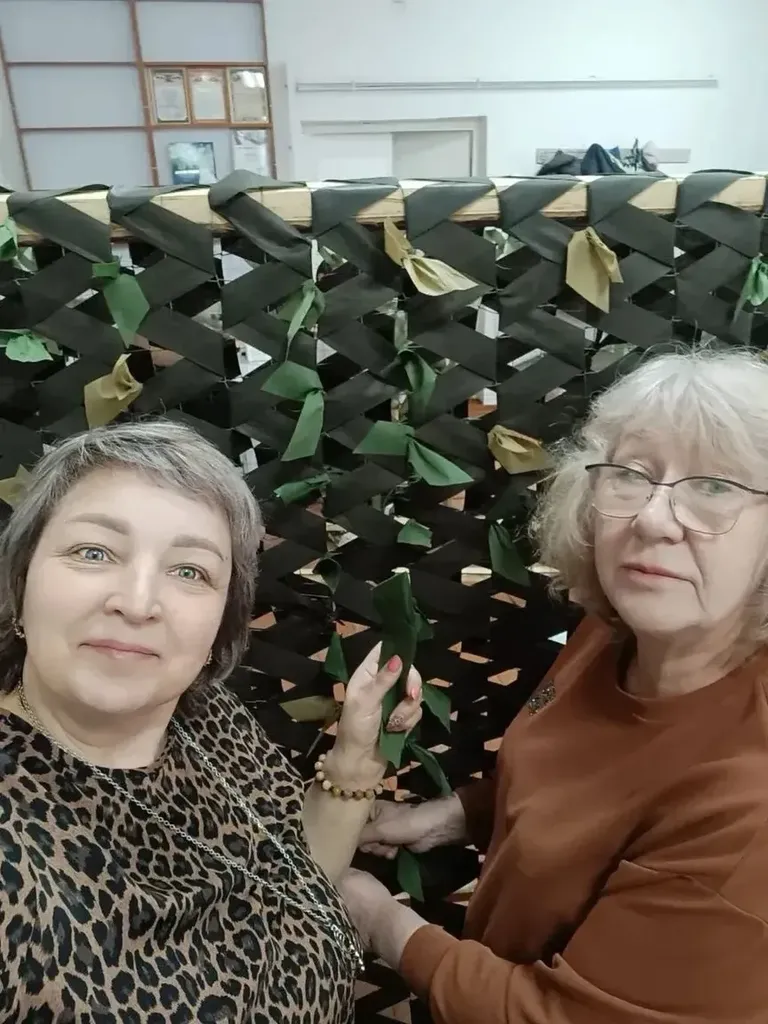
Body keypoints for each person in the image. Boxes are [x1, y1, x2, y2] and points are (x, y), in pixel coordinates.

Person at [339, 347, 768, 1024]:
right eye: (630, 475)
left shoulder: (751, 806)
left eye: (714, 487)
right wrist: (455, 815)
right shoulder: (617, 630)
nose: (652, 520)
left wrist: (380, 920)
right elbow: (593, 793)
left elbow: (560, 1017)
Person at [0, 419, 422, 1023]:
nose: (138, 603)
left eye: (189, 571)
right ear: (22, 580)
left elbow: (293, 887)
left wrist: (357, 755)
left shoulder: (207, 717)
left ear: (224, 618)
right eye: (94, 552)